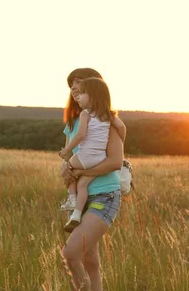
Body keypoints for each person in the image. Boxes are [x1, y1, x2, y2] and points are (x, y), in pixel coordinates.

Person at [60, 68, 124, 291]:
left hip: (104, 194)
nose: (75, 87)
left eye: (79, 82)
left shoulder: (106, 120)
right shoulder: (73, 123)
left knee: (70, 252)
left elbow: (115, 161)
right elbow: (73, 155)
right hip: (80, 197)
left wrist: (79, 173)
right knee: (90, 261)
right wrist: (65, 168)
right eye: (71, 85)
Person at [58, 77, 126, 232]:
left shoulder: (89, 115)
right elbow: (122, 127)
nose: (75, 91)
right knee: (82, 184)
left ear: (93, 94)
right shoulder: (105, 116)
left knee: (70, 171)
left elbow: (81, 136)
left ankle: (72, 200)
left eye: (81, 89)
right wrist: (123, 140)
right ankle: (75, 211)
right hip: (93, 170)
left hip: (100, 184)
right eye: (72, 86)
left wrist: (68, 153)